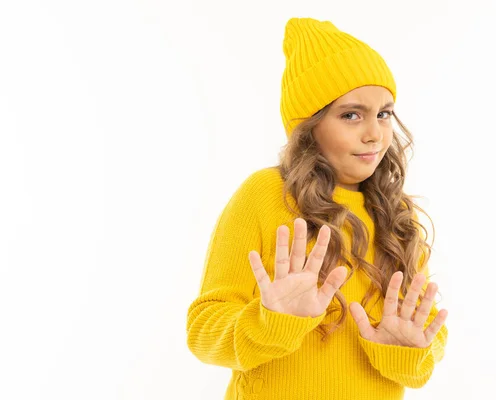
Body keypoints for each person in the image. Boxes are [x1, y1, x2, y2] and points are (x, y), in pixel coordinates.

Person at [186, 17, 449, 400]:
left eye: (384, 113)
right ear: (309, 126)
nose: (375, 133)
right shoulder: (265, 195)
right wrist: (271, 322)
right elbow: (202, 331)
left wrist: (409, 349)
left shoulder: (397, 215)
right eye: (351, 115)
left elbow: (427, 341)